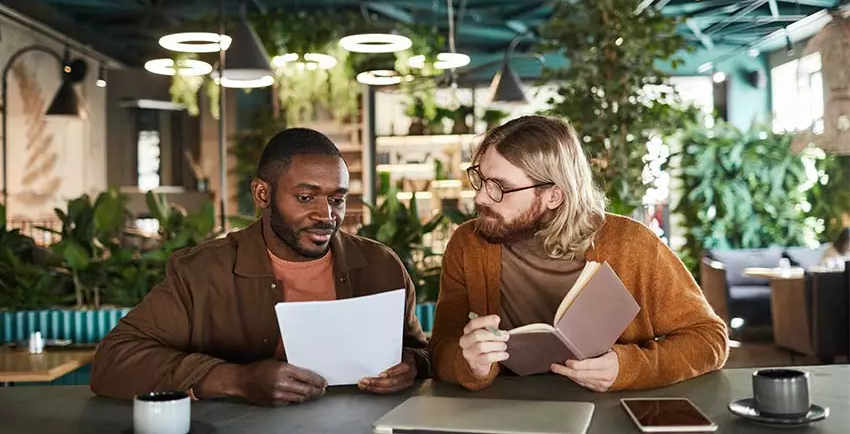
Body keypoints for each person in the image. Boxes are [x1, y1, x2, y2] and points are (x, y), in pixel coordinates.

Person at [91, 128, 429, 406]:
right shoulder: (202, 271)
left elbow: (423, 354)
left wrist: (412, 365)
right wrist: (237, 380)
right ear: (263, 194)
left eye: (336, 199)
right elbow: (113, 362)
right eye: (305, 198)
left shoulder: (382, 266)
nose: (327, 216)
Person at [428, 115, 728, 393]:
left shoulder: (632, 244)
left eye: (500, 188)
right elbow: (441, 348)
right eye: (480, 179)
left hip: (609, 413)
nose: (480, 197)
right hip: (504, 410)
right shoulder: (468, 244)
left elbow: (710, 339)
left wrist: (627, 367)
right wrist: (469, 364)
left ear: (553, 196)